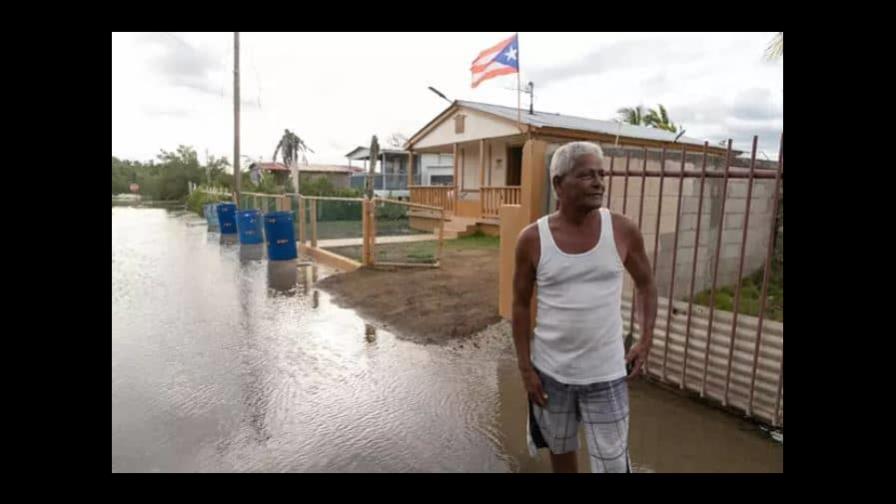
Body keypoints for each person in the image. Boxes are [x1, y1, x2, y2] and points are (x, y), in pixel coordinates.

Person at [512, 141, 658, 473]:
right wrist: (526, 371)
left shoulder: (621, 230)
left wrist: (645, 339)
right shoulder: (532, 240)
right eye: (586, 175)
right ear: (558, 184)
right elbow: (520, 306)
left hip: (607, 374)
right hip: (550, 375)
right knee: (561, 456)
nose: (598, 182)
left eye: (600, 174)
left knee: (613, 464)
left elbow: (647, 284)